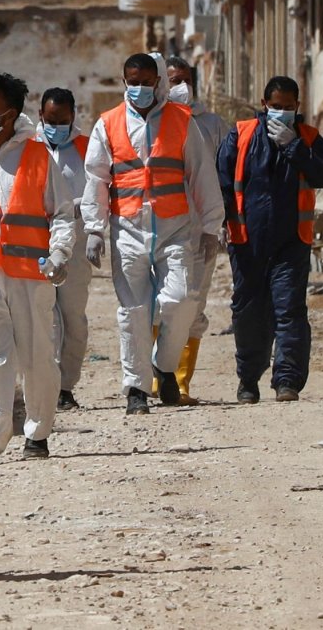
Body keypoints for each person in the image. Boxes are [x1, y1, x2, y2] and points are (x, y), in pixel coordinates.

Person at [83, 53, 223, 415]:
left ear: (158, 82)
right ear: (124, 80)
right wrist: (94, 229)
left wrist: (211, 226)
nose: (141, 87)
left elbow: (202, 174)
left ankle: (164, 364)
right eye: (135, 80)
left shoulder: (181, 121)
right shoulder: (108, 123)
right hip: (127, 230)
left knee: (180, 301)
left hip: (175, 229)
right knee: (134, 311)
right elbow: (96, 179)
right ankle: (136, 389)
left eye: (148, 81)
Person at [0, 73, 77, 467]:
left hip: (32, 274)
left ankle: (38, 432)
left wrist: (60, 253)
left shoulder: (35, 155)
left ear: (11, 114)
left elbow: (62, 214)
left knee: (36, 357)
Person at [217, 75, 323, 404]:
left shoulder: (308, 138)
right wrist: (220, 221)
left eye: (288, 107)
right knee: (249, 312)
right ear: (263, 104)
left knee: (289, 311)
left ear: (298, 106)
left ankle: (287, 381)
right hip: (246, 241)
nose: (281, 112)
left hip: (291, 241)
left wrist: (294, 147)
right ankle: (248, 381)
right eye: (275, 106)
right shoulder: (240, 136)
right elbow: (223, 182)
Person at [163, 56, 232, 405]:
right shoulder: (153, 124)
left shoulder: (212, 124)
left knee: (194, 303)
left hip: (202, 228)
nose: (181, 87)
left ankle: (180, 382)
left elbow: (223, 176)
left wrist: (219, 223)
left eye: (185, 79)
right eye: (173, 80)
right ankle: (156, 378)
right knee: (160, 302)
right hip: (162, 228)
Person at [38, 87, 94, 412]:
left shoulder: (86, 148)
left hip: (77, 242)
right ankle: (47, 385)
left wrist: (76, 208)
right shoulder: (29, 147)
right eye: (50, 119)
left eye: (62, 120)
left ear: (73, 116)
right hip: (38, 242)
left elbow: (100, 188)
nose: (55, 125)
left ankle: (66, 386)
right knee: (46, 317)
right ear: (40, 116)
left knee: (73, 317)